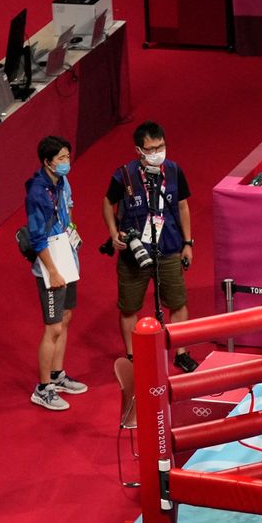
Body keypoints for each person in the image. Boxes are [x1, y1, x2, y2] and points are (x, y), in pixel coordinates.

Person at [102, 123, 198, 373]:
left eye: (161, 146)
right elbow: (107, 202)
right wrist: (114, 235)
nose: (158, 152)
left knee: (177, 303)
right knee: (129, 307)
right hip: (134, 254)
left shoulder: (174, 171)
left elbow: (184, 206)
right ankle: (133, 356)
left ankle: (181, 352)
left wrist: (188, 243)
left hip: (168, 248)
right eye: (151, 148)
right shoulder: (123, 175)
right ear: (139, 150)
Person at [24, 135, 86, 411]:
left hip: (66, 254)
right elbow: (37, 239)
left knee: (67, 317)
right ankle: (43, 387)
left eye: (67, 157)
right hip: (51, 262)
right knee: (53, 326)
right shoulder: (37, 193)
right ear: (47, 162)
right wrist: (53, 271)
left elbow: (68, 211)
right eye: (60, 158)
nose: (66, 162)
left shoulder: (61, 182)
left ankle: (58, 375)